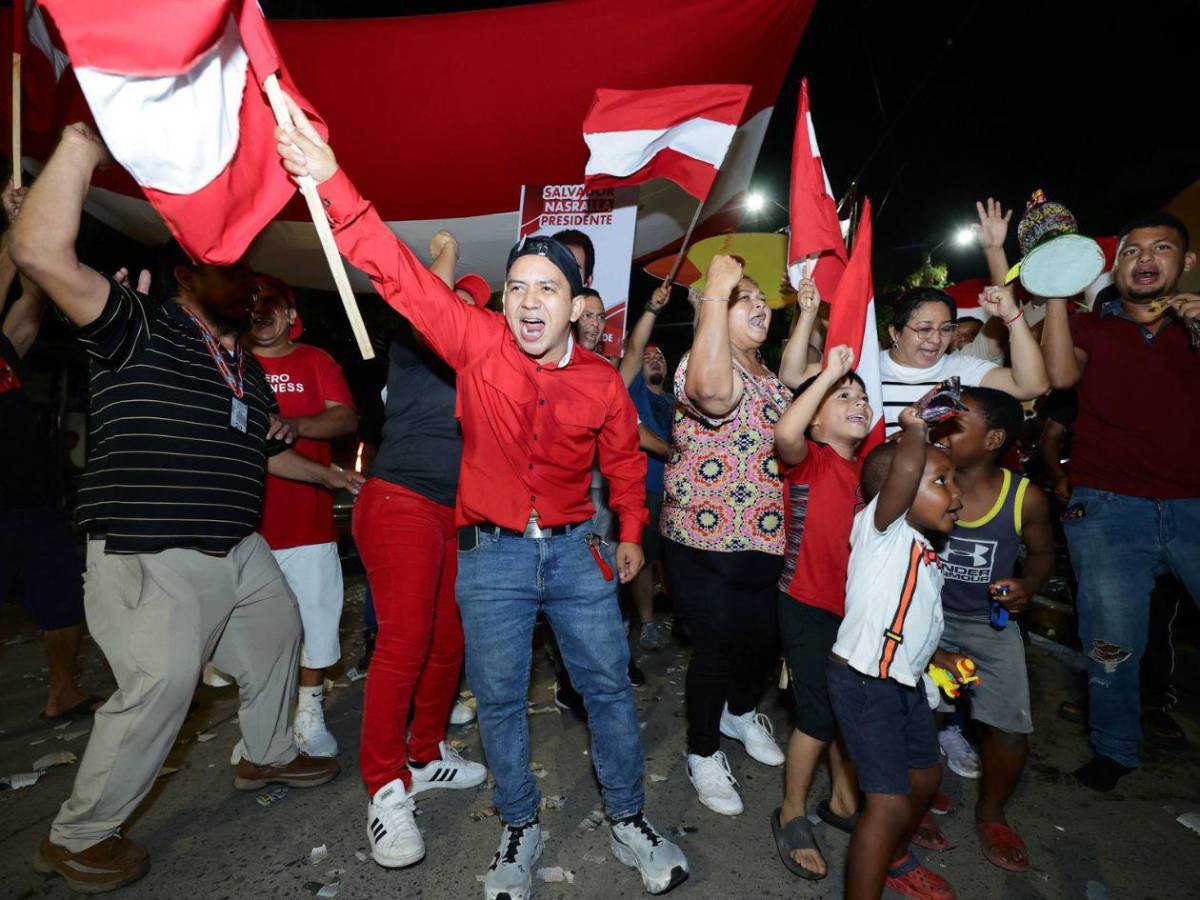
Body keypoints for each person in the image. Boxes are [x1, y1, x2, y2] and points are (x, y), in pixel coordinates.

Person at [275, 94, 688, 899]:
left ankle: (630, 817)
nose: (529, 299)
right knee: (499, 699)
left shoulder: (604, 382)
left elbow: (626, 467)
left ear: (576, 305)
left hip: (576, 554)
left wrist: (631, 529)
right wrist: (333, 183)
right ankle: (520, 829)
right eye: (517, 286)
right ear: (502, 300)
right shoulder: (477, 343)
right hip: (490, 556)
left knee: (605, 686)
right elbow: (396, 276)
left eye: (547, 287)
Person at [10, 122, 360, 894]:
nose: (252, 287)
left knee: (277, 631)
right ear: (184, 278)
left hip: (237, 547)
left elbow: (263, 451)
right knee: (162, 687)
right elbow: (40, 254)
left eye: (255, 279)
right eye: (228, 269)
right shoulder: (138, 325)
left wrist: (328, 478)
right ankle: (78, 834)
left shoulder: (244, 368)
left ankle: (266, 751)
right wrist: (79, 142)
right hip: (153, 546)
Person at [1039, 211, 1200, 791]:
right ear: (1117, 266)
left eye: (1160, 248)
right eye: (1131, 251)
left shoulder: (1194, 325)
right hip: (1110, 508)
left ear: (1186, 263)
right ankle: (1113, 749)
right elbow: (1058, 377)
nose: (1145, 258)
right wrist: (1056, 292)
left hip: (1194, 505)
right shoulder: (1091, 328)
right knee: (1110, 642)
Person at [351, 231, 489, 868]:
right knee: (405, 640)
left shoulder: (484, 361)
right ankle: (384, 787)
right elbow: (421, 298)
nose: (465, 312)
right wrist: (446, 252)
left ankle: (426, 752)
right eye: (457, 302)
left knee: (450, 640)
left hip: (453, 514)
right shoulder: (413, 347)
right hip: (399, 501)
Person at [661, 257, 813, 816]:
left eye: (760, 301)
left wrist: (809, 313)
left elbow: (800, 382)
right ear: (712, 313)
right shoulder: (699, 362)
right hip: (702, 543)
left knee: (766, 643)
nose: (758, 307)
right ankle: (701, 752)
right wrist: (714, 290)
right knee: (718, 649)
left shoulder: (767, 374)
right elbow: (713, 396)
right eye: (741, 299)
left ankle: (741, 713)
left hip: (768, 540)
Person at [827, 410, 963, 900]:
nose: (956, 494)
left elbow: (910, 623)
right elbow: (903, 476)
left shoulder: (925, 553)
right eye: (942, 481)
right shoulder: (880, 531)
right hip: (864, 684)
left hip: (902, 684)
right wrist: (916, 430)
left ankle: (894, 854)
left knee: (926, 776)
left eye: (954, 481)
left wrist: (939, 656)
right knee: (886, 804)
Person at [930, 387, 1054, 872]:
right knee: (918, 711)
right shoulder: (928, 479)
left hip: (989, 624)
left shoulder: (1024, 496)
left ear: (994, 438)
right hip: (929, 622)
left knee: (1007, 723)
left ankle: (992, 812)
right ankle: (917, 796)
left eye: (955, 424)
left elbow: (1043, 555)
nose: (943, 430)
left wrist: (1027, 583)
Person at [245, 275, 358, 758]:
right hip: (243, 526)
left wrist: (293, 425)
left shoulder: (316, 360)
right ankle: (262, 722)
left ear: (291, 315)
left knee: (315, 619)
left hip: (306, 523)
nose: (261, 313)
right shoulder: (230, 359)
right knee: (249, 631)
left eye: (272, 304)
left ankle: (309, 710)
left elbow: (345, 417)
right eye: (250, 305)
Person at [770, 341, 870, 881]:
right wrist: (826, 373)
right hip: (807, 604)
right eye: (842, 396)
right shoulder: (812, 460)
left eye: (861, 396)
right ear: (815, 421)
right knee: (815, 714)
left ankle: (844, 801)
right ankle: (790, 809)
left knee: (848, 708)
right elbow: (785, 434)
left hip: (857, 611)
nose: (857, 401)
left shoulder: (875, 476)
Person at [0, 179, 99, 722]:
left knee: (61, 599)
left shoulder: (8, 349)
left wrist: (37, 239)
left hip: (34, 499)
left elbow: (33, 295)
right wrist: (18, 226)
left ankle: (63, 693)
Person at [880, 283, 1048, 435]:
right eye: (924, 329)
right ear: (895, 332)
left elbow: (1033, 386)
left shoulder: (964, 369)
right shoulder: (867, 369)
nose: (936, 340)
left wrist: (1012, 316)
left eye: (945, 329)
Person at [619, 284, 677, 651]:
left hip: (678, 493)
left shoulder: (676, 400)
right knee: (642, 557)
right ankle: (648, 622)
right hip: (644, 487)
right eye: (648, 356)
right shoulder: (631, 391)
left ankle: (683, 615)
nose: (654, 359)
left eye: (661, 357)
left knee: (672, 559)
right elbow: (636, 347)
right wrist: (651, 307)